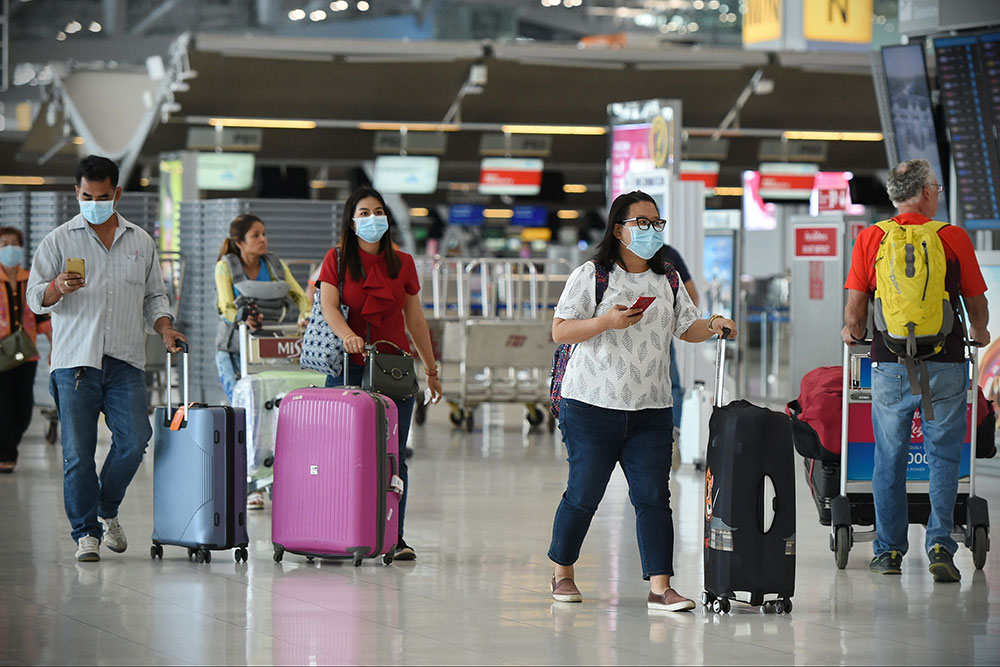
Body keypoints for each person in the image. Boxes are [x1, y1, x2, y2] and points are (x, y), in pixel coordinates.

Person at [548, 190, 737, 610]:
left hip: (650, 407)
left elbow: (686, 327)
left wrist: (714, 324)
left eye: (657, 223)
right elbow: (560, 330)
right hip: (592, 405)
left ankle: (660, 586)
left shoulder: (666, 278)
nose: (652, 230)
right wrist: (607, 321)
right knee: (584, 493)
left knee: (654, 496)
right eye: (642, 223)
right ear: (619, 229)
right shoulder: (592, 275)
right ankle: (562, 572)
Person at [26, 155, 186, 562]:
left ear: (117, 193)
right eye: (86, 195)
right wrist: (57, 287)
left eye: (102, 195)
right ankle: (86, 533)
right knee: (78, 454)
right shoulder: (59, 240)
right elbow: (34, 299)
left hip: (124, 359)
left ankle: (106, 507)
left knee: (135, 440)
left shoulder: (140, 242)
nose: (94, 201)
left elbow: (155, 297)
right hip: (75, 362)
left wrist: (165, 328)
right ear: (76, 193)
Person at [842, 158, 990, 582]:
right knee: (944, 455)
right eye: (937, 189)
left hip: (889, 363)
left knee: (890, 457)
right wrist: (979, 332)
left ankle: (888, 551)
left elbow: (855, 312)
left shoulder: (871, 238)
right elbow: (976, 303)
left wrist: (852, 331)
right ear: (926, 192)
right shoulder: (952, 237)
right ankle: (941, 544)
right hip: (944, 361)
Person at [316, 187, 442, 561]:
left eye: (378, 211)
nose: (373, 219)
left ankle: (394, 536)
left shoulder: (402, 263)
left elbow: (415, 319)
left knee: (393, 456)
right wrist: (349, 336)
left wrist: (431, 369)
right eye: (364, 213)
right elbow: (328, 306)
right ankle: (336, 531)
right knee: (340, 454)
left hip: (394, 371)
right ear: (352, 222)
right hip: (347, 371)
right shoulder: (337, 260)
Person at [214, 214, 312, 403]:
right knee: (241, 404)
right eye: (255, 235)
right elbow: (225, 307)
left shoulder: (276, 266)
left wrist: (306, 315)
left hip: (267, 349)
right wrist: (242, 318)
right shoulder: (224, 267)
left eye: (264, 234)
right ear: (240, 242)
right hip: (233, 348)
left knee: (267, 403)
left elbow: (300, 297)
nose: (263, 239)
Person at [0, 226, 52, 472]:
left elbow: (43, 318)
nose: (9, 248)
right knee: (4, 405)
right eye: (3, 244)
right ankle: (6, 455)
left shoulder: (30, 279)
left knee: (23, 407)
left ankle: (9, 446)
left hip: (26, 354)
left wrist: (55, 347)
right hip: (0, 355)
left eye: (13, 243)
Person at [661, 243, 699, 470]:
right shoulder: (610, 259)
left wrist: (682, 322)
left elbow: (691, 293)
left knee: (672, 384)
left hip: (662, 336)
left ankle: (677, 435)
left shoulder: (668, 256)